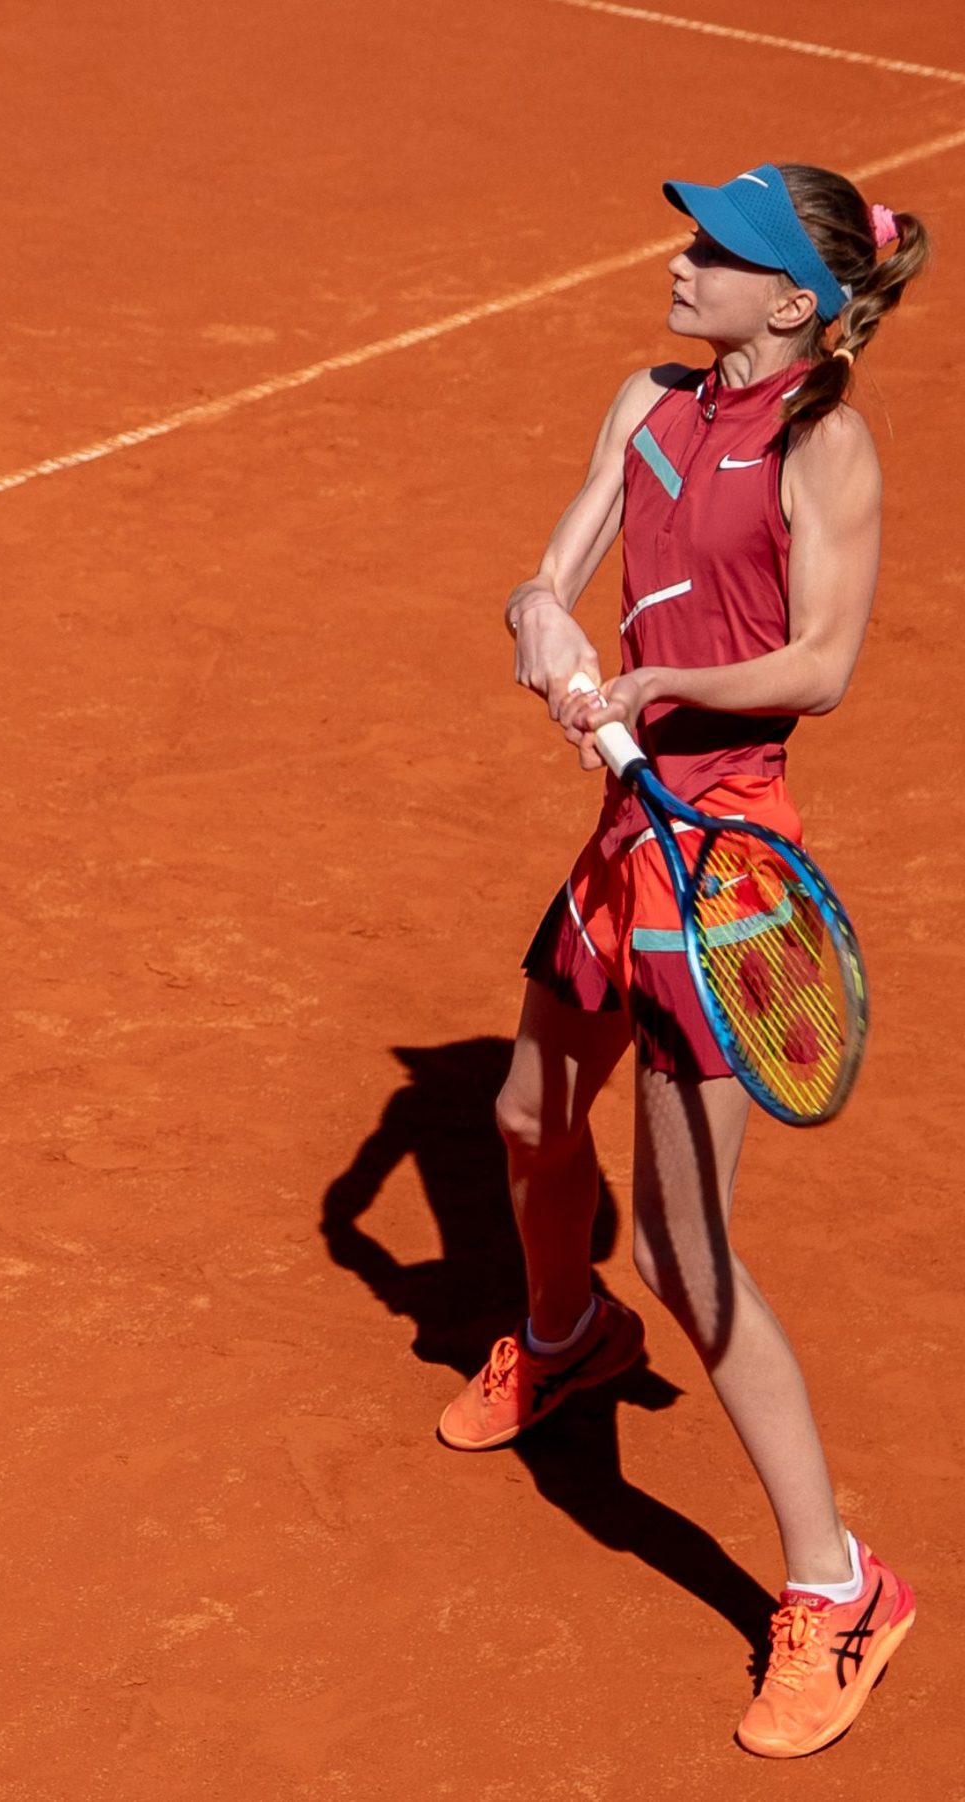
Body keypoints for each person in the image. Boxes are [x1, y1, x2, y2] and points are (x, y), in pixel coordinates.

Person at [437, 164, 930, 1758]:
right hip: (623, 849)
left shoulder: (824, 445)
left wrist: (651, 687)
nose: (683, 260)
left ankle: (839, 1585)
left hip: (731, 876)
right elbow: (562, 552)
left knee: (695, 1256)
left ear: (792, 302)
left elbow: (828, 661)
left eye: (719, 252)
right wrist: (537, 611)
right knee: (524, 1117)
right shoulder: (648, 396)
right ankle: (570, 1339)